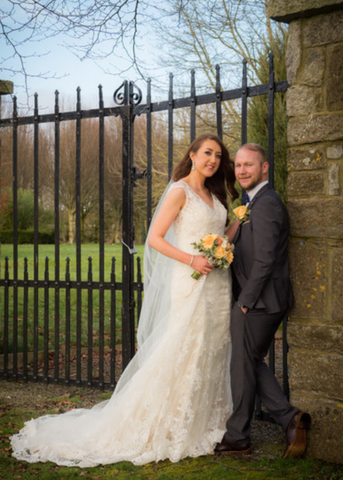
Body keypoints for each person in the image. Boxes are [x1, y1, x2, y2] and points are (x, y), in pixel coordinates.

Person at [11, 134, 239, 467]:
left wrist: (238, 225)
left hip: (218, 283)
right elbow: (154, 239)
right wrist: (192, 261)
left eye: (218, 155)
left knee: (212, 347)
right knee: (186, 347)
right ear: (192, 155)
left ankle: (204, 423)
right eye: (207, 153)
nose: (213, 160)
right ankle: (172, 424)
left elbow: (219, 236)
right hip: (191, 281)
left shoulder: (213, 194)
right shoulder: (180, 191)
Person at [215, 143, 311, 459]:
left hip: (259, 302)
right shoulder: (251, 202)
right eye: (238, 165)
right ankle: (289, 419)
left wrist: (245, 301)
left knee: (241, 364)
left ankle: (238, 436)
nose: (242, 170)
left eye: (249, 165)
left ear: (264, 167)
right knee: (249, 361)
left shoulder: (267, 203)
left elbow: (266, 259)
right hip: (259, 300)